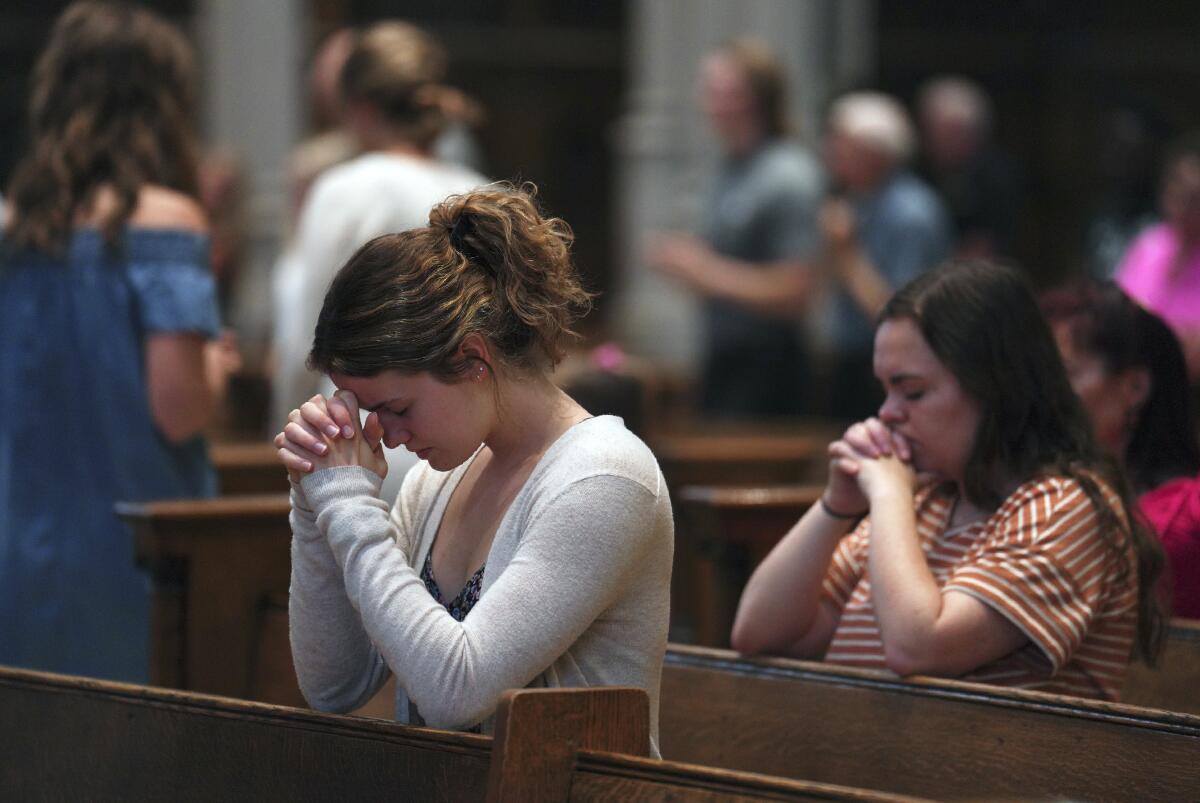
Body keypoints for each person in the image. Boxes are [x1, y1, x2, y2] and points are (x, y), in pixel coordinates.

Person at [274, 186, 674, 748]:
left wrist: (346, 504)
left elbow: (456, 690)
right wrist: (313, 502)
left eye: (398, 408)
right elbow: (336, 685)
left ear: (473, 359)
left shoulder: (605, 477)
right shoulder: (437, 480)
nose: (387, 434)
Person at [732, 261, 1165, 700]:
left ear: (995, 387)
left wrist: (886, 495)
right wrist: (834, 506)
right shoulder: (929, 503)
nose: (887, 413)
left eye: (913, 392)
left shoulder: (1066, 509)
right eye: (885, 390)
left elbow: (918, 648)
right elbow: (759, 633)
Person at [0, 1, 232, 681]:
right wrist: (216, 362)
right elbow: (179, 407)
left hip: (21, 541)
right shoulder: (163, 223)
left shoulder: (13, 227)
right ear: (164, 104)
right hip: (133, 553)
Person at [271, 20, 487, 503]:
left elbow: (305, 340)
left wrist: (286, 439)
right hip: (469, 450)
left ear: (358, 108)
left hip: (367, 439)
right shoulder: (484, 191)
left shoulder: (344, 189)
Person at [649, 38, 823, 419]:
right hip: (723, 355)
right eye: (707, 90)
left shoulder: (788, 174)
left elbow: (797, 291)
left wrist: (703, 271)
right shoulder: (729, 167)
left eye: (721, 91)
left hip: (769, 366)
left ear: (754, 98)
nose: (707, 103)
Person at [1044, 281, 1200, 618]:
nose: (1044, 395)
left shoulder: (1184, 520)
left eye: (1065, 374)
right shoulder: (1031, 493)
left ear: (1135, 387)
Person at [817, 92, 951, 420]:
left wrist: (847, 254)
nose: (830, 153)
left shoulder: (912, 213)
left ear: (874, 153)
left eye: (841, 145)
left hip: (891, 368)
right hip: (850, 361)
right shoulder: (856, 201)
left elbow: (901, 313)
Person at [1116, 132, 1200, 378]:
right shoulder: (1147, 245)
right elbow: (1121, 314)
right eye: (1178, 188)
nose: (1184, 203)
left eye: (1194, 196)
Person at [916, 75, 1022, 260]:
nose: (951, 143)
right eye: (944, 133)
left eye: (960, 134)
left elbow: (987, 242)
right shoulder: (915, 170)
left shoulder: (996, 177)